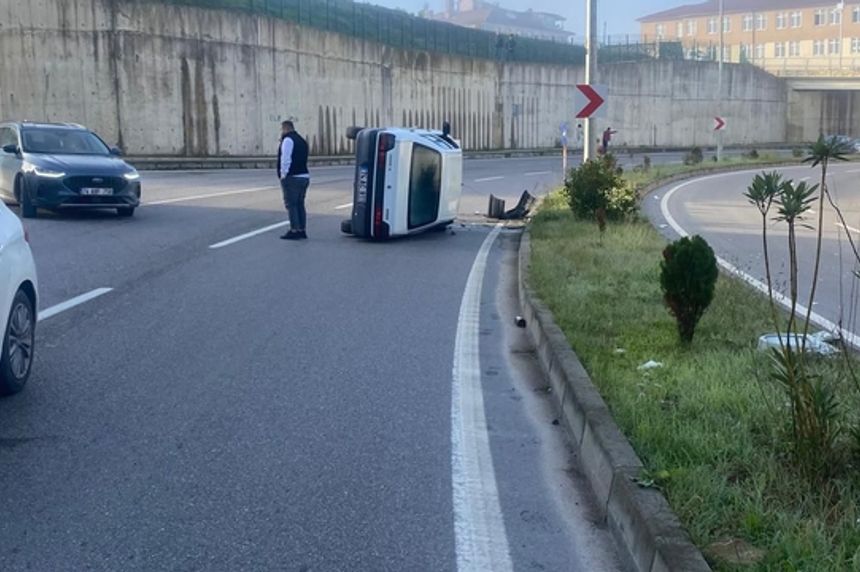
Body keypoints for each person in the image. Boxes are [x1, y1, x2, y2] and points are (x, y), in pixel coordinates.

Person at [277, 120, 310, 240]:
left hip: (293, 177)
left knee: (292, 204)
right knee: (300, 204)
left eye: (282, 129)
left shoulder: (288, 140)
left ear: (285, 128)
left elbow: (285, 158)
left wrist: (283, 174)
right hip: (304, 176)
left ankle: (294, 230)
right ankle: (302, 230)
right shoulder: (301, 140)